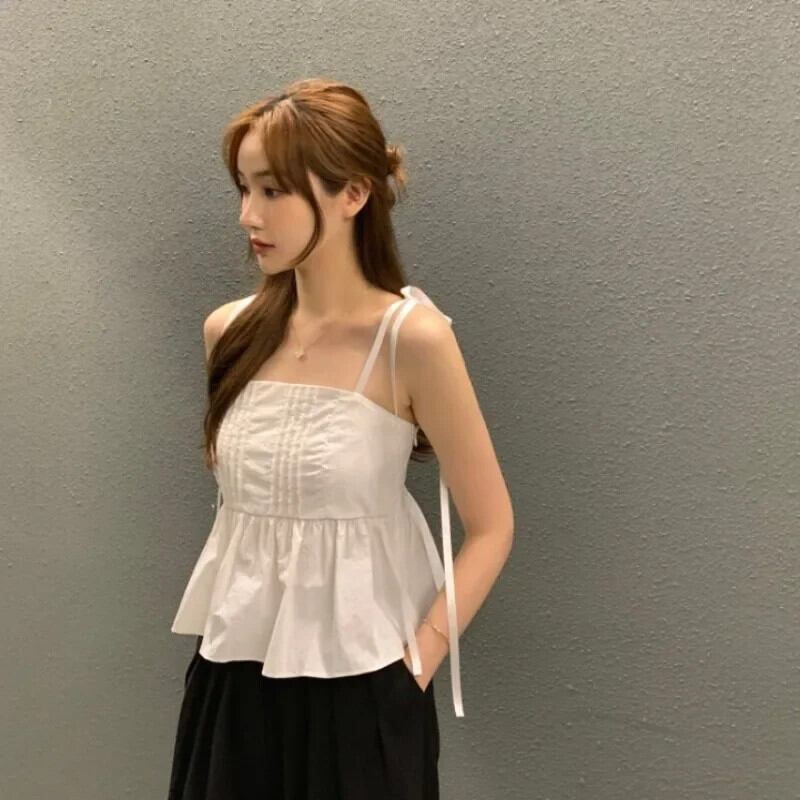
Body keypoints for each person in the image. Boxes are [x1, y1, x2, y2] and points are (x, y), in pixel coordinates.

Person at [167, 77, 514, 800]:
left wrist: (418, 662)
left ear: (354, 194)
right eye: (244, 188)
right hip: (232, 677)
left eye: (273, 190)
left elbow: (492, 526)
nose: (248, 215)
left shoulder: (412, 340)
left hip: (363, 684)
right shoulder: (228, 332)